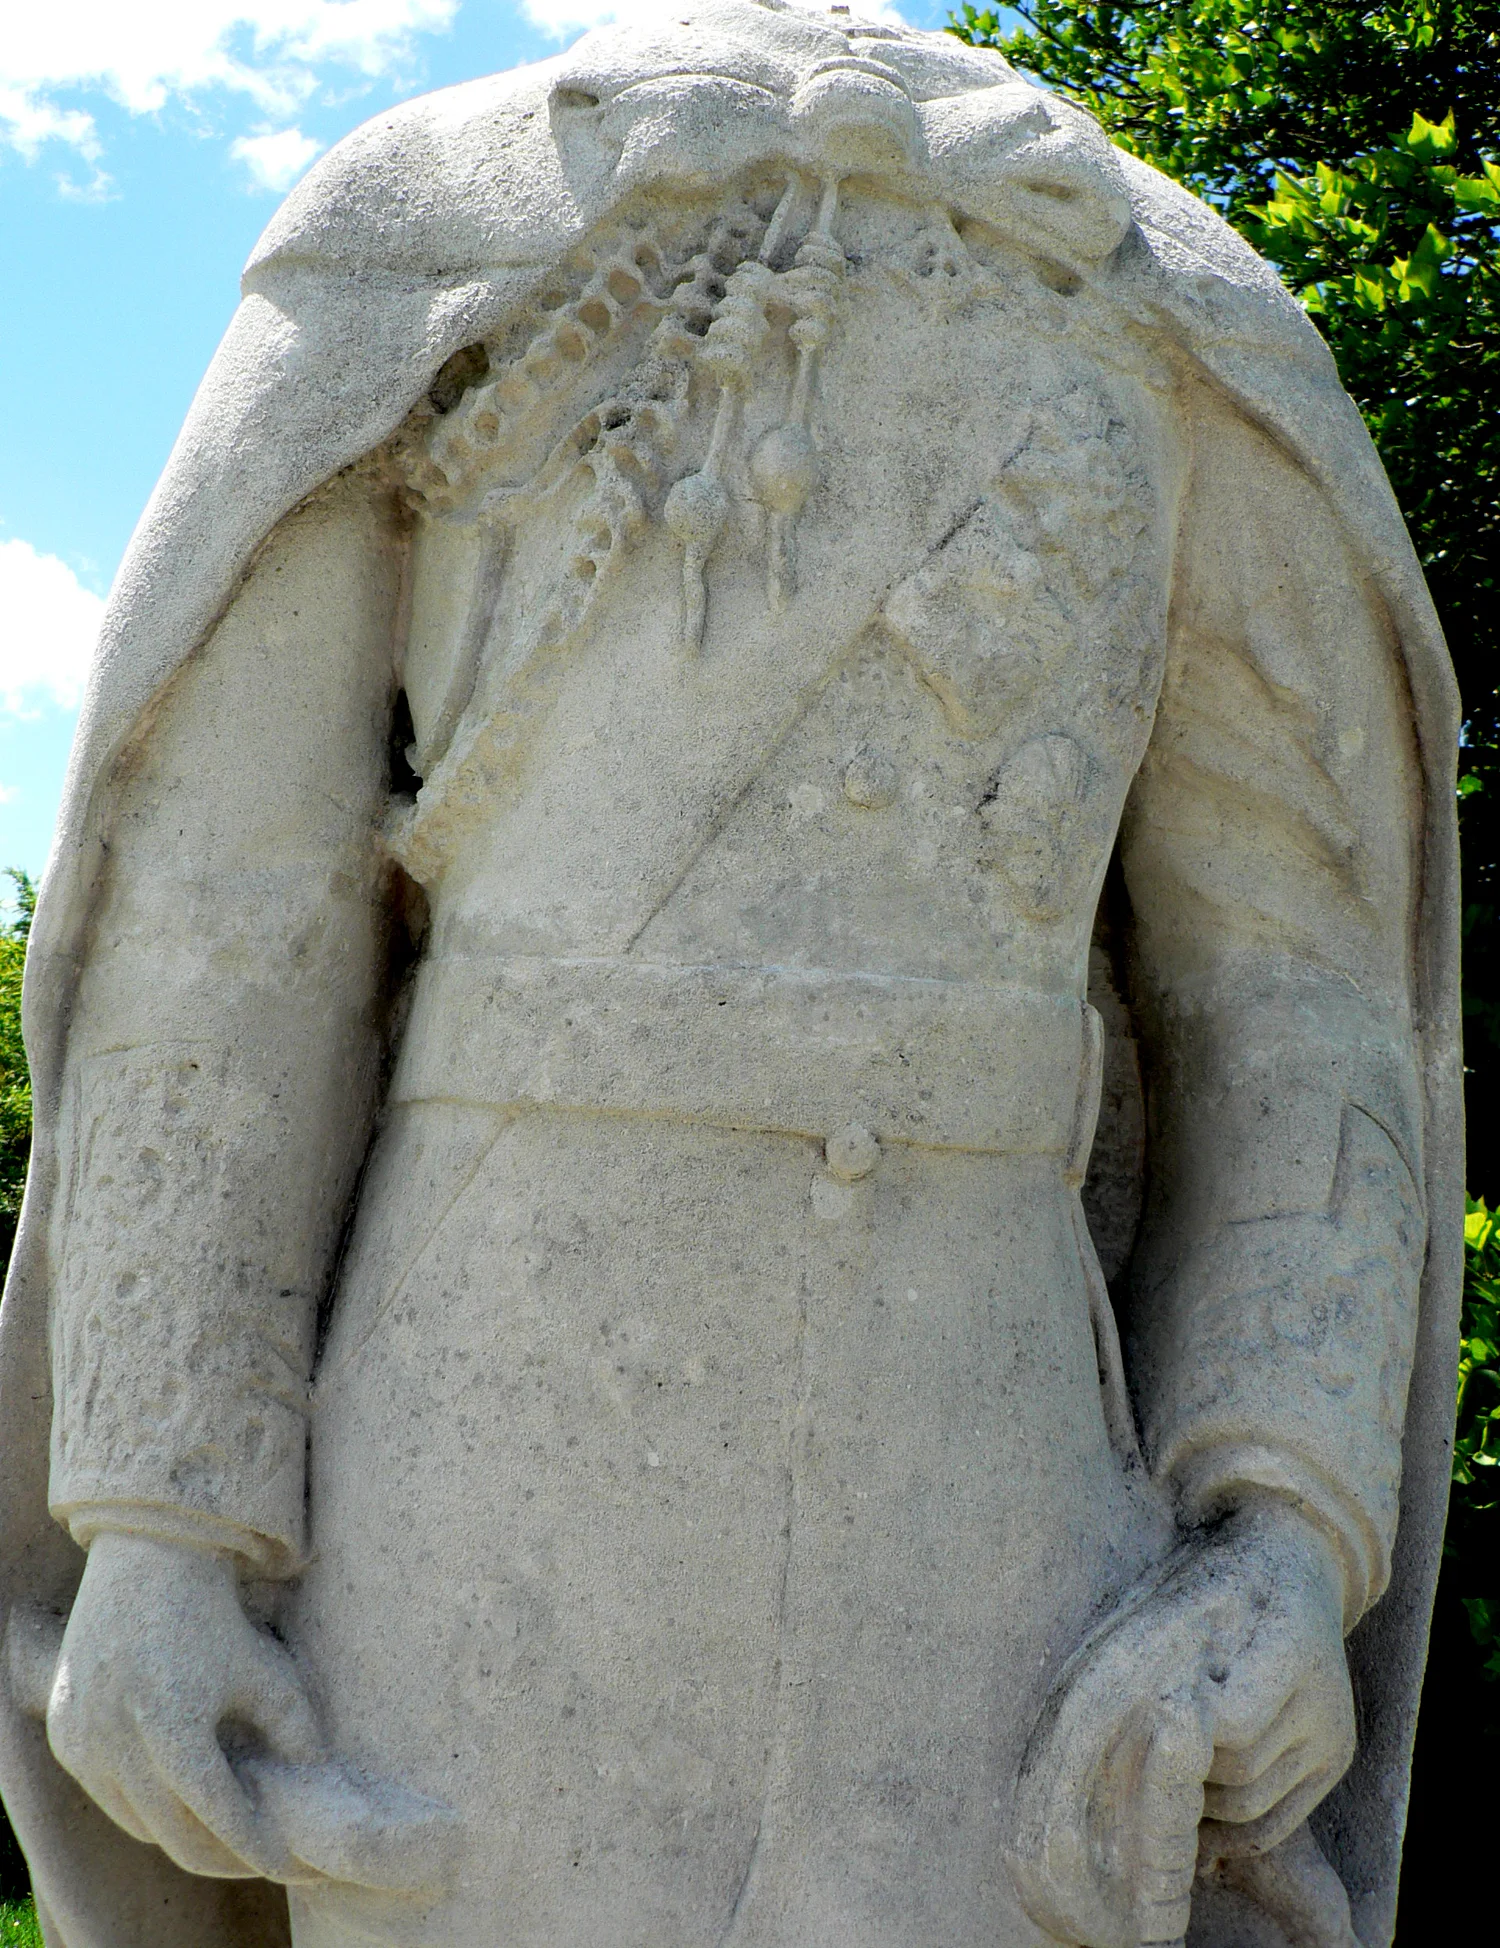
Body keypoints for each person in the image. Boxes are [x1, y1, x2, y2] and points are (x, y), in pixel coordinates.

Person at [0, 8, 1460, 1946]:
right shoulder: (431, 222)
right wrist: (162, 1531)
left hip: (993, 1491)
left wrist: (1286, 1526)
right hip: (477, 1455)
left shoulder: (1178, 299)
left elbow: (1294, 984)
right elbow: (225, 917)